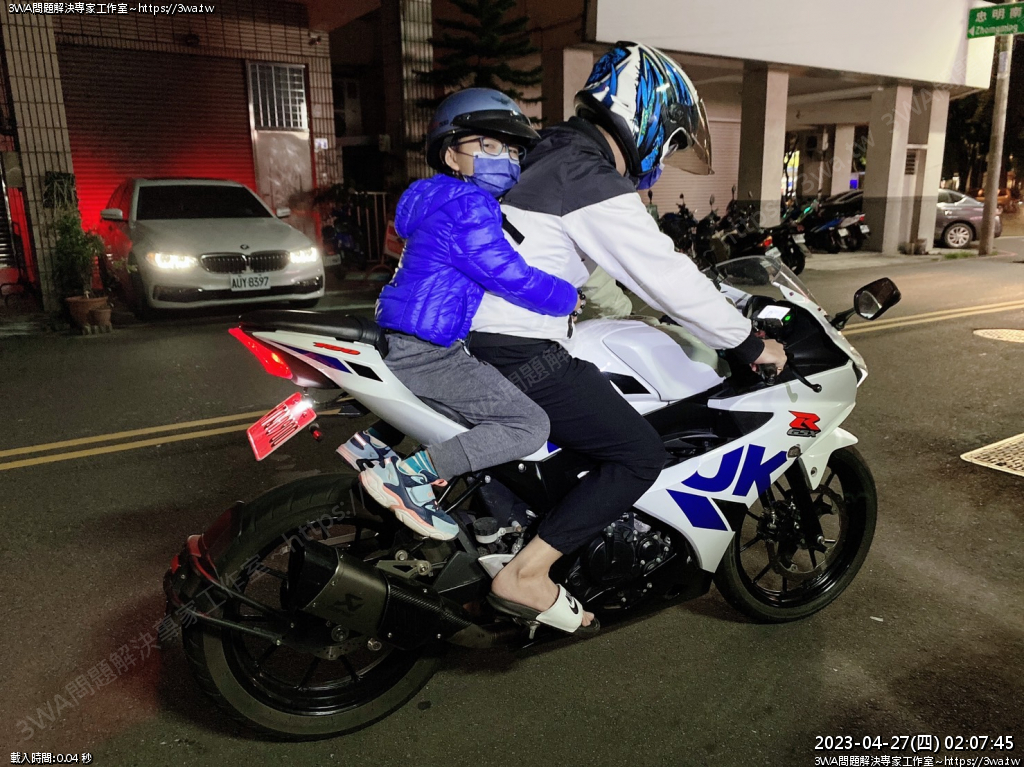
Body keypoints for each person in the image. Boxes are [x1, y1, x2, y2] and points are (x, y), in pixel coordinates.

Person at [466, 42, 788, 632]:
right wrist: (747, 342)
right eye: (671, 140)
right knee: (638, 453)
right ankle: (527, 574)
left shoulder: (547, 153)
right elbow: (663, 274)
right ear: (646, 118)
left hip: (467, 337)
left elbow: (598, 272)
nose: (664, 156)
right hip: (514, 348)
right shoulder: (584, 173)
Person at [339, 88, 582, 543]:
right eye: (487, 145)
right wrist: (568, 297)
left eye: (512, 150)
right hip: (428, 350)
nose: (503, 158)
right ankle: (409, 478)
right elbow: (508, 274)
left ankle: (374, 442)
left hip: (405, 338)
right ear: (452, 155)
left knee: (475, 393)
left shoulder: (438, 198)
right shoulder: (471, 206)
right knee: (528, 425)